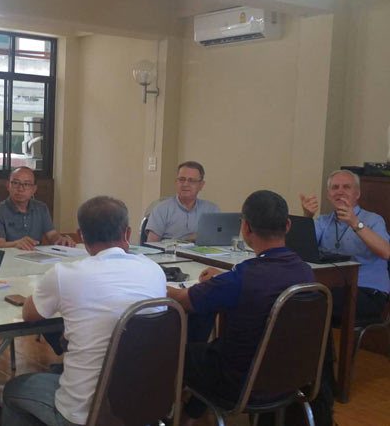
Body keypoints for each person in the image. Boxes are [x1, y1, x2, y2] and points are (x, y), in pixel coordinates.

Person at [0, 196, 166, 426]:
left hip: (85, 413)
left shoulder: (64, 275)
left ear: (81, 236)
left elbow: (29, 314)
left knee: (14, 389)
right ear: (127, 233)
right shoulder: (154, 270)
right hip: (145, 406)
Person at [167, 190, 315, 425]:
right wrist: (223, 279)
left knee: (178, 353)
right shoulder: (306, 272)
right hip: (289, 378)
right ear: (288, 225)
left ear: (245, 228)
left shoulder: (243, 278)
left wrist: (157, 280)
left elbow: (184, 300)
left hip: (238, 381)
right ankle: (190, 415)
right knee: (211, 356)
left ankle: (169, 416)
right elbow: (260, 284)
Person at [300, 169, 390, 319]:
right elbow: (302, 249)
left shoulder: (374, 220)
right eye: (335, 188)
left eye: (346, 187)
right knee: (298, 298)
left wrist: (355, 223)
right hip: (332, 287)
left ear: (357, 194)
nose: (340, 192)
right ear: (329, 195)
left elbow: (386, 252)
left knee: (315, 303)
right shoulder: (324, 221)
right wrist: (307, 217)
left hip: (368, 291)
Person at [0, 166, 76, 250]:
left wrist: (60, 240)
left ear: (34, 189)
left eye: (27, 184)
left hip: (36, 257)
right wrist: (16, 244)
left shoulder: (41, 208)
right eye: (15, 183)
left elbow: (52, 235)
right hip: (9, 259)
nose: (20, 189)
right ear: (8, 186)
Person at [146, 161, 220, 242]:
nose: (185, 184)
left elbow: (219, 240)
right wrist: (185, 240)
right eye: (182, 179)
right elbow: (151, 244)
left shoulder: (211, 210)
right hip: (170, 250)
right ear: (176, 182)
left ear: (201, 185)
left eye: (191, 180)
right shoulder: (161, 209)